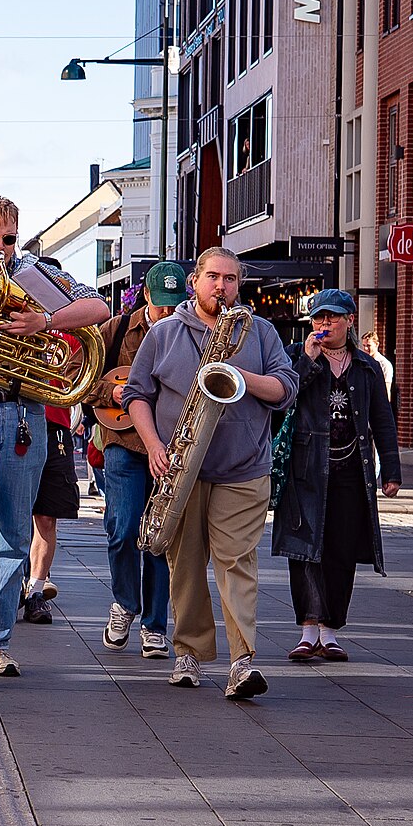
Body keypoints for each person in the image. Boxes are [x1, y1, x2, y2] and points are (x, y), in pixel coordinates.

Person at [0, 196, 109, 683]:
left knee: (13, 533)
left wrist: (45, 321)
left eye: (8, 238)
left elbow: (97, 305)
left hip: (22, 412)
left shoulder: (34, 269)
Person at [126, 247, 297, 700]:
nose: (222, 287)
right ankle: (189, 653)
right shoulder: (163, 333)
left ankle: (242, 662)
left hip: (243, 468)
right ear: (194, 282)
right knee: (184, 566)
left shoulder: (258, 332)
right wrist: (153, 445)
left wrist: (238, 374)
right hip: (182, 467)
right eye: (214, 277)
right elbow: (136, 394)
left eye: (231, 279)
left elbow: (285, 387)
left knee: (236, 560)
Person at [273, 290, 401, 663]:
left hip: (350, 471)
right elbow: (284, 399)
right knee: (304, 550)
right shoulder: (297, 357)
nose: (323, 324)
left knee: (340, 551)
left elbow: (382, 420)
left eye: (331, 318)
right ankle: (307, 631)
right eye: (317, 319)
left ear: (349, 320)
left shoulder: (366, 367)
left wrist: (390, 470)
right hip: (306, 470)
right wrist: (310, 362)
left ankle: (330, 633)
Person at [87, 261, 184, 661]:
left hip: (171, 446)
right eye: (161, 304)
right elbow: (81, 378)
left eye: (175, 304)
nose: (168, 312)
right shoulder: (118, 329)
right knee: (122, 528)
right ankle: (125, 603)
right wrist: (109, 395)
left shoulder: (188, 332)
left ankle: (155, 627)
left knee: (158, 538)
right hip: (123, 443)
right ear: (146, 296)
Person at [23, 399, 79, 624]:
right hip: (12, 413)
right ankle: (10, 584)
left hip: (54, 421)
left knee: (46, 516)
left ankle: (36, 590)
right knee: (9, 511)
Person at [361, 329, 395, 403]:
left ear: (377, 344)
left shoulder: (385, 364)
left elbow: (386, 389)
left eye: (369, 345)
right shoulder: (362, 362)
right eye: (364, 345)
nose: (366, 348)